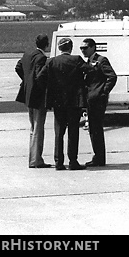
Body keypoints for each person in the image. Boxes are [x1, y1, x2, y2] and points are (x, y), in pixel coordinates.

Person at [38, 38, 87, 170]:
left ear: (60, 48)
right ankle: (73, 161)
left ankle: (58, 162)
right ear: (70, 48)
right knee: (73, 132)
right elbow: (90, 71)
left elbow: (40, 77)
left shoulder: (51, 61)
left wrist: (50, 89)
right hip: (74, 102)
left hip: (58, 102)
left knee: (59, 133)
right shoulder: (76, 60)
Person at [79, 38, 117, 167]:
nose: (83, 50)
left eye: (85, 48)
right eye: (81, 48)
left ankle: (99, 158)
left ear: (92, 48)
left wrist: (103, 92)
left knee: (96, 129)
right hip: (91, 99)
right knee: (93, 129)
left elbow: (112, 76)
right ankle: (98, 156)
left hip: (98, 99)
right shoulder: (89, 61)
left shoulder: (101, 61)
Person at [15, 34, 50, 168]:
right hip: (38, 97)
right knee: (38, 128)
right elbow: (40, 76)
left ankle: (33, 159)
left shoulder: (27, 54)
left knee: (33, 128)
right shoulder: (41, 58)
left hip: (28, 95)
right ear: (46, 44)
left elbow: (18, 67)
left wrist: (27, 82)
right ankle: (36, 160)